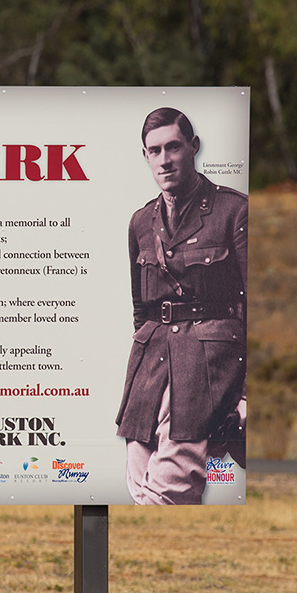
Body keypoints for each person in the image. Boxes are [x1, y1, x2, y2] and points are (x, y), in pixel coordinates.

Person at [116, 107, 247, 505]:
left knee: (167, 490)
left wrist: (247, 394)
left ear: (193, 147)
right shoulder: (141, 222)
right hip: (150, 367)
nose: (165, 159)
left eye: (173, 147)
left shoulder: (233, 211)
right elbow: (142, 308)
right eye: (154, 150)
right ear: (145, 156)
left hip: (207, 366)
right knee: (139, 483)